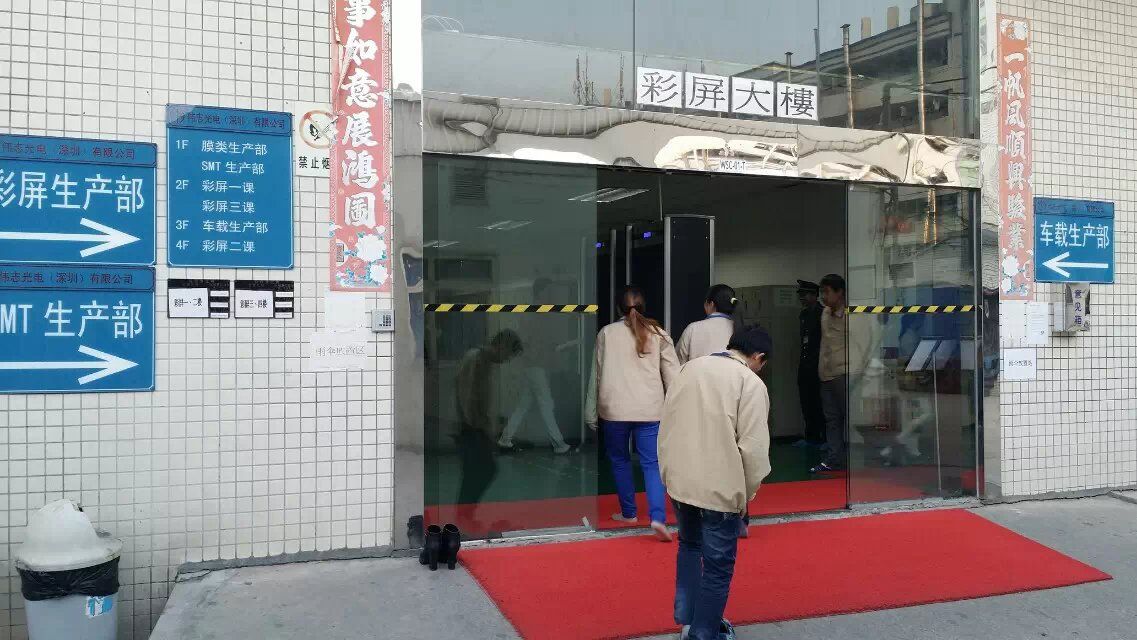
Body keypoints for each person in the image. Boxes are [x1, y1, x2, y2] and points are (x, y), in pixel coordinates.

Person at [659, 326, 773, 640]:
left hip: (681, 482)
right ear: (759, 357)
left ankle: (687, 623)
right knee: (718, 567)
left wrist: (668, 474)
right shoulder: (750, 382)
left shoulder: (689, 369)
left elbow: (667, 425)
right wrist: (746, 495)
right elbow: (753, 450)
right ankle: (704, 633)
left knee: (689, 547)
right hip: (721, 489)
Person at [586, 286, 680, 541]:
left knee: (620, 461)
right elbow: (673, 376)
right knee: (652, 464)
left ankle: (629, 513)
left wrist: (590, 411)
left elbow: (596, 374)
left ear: (618, 308)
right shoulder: (659, 334)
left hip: (614, 410)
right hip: (650, 409)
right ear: (644, 307)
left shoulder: (607, 333)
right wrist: (677, 410)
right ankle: (658, 518)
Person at [498, 279, 573, 454]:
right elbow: (525, 343)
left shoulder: (541, 313)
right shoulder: (532, 314)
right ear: (540, 293)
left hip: (534, 366)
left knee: (524, 404)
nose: (551, 295)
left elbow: (540, 342)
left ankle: (505, 439)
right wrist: (536, 355)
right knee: (546, 404)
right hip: (534, 367)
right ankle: (559, 444)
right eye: (548, 292)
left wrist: (552, 349)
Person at [455, 330, 524, 511]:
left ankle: (465, 514)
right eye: (508, 356)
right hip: (471, 428)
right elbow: (466, 395)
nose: (506, 360)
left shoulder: (484, 362)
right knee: (482, 471)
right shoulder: (476, 359)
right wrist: (476, 426)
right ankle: (464, 514)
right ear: (502, 346)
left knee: (479, 472)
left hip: (476, 427)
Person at [812, 274, 848, 473]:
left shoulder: (852, 314)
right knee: (832, 419)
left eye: (826, 292)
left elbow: (865, 342)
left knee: (850, 419)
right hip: (826, 373)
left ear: (839, 292)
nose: (823, 297)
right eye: (821, 292)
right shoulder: (825, 313)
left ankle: (857, 461)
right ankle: (835, 459)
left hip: (845, 373)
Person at [676, 284, 742, 364]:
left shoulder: (693, 329)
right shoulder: (740, 330)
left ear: (711, 304)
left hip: (697, 372)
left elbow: (678, 363)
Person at [795, 280, 826, 448]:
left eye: (804, 294)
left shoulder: (823, 313)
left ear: (814, 295)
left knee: (819, 403)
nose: (801, 298)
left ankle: (824, 438)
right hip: (806, 364)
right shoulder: (804, 315)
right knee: (806, 402)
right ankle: (810, 437)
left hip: (818, 365)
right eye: (800, 295)